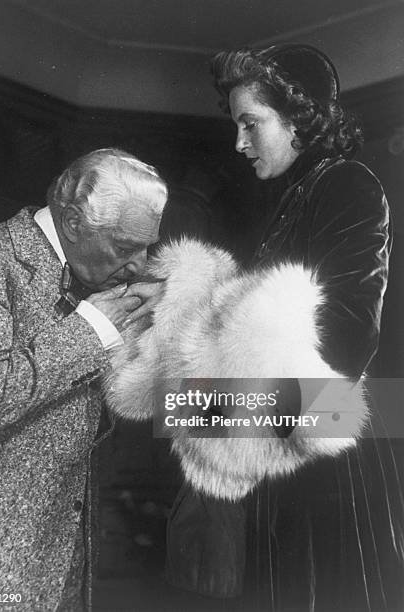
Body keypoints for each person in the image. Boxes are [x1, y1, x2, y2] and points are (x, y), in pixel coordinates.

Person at [118, 45, 403, 610]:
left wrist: (189, 406)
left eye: (251, 123)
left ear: (299, 119)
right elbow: (261, 334)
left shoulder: (347, 183)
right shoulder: (299, 193)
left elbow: (344, 347)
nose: (239, 142)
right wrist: (179, 299)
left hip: (330, 459)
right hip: (292, 451)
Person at [0, 148, 168, 611]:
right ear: (73, 222)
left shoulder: (100, 281)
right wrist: (91, 330)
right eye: (126, 246)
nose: (139, 264)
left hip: (64, 559)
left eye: (148, 244)